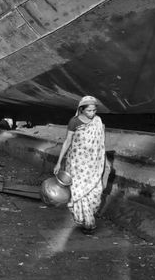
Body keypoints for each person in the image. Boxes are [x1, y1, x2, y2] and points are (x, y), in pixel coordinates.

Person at [53, 95, 110, 233]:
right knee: (79, 191)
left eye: (94, 110)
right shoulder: (74, 121)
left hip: (93, 163)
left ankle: (88, 218)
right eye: (89, 111)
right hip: (77, 163)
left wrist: (106, 160)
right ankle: (88, 223)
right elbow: (67, 141)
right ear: (81, 109)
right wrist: (59, 162)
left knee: (95, 191)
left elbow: (101, 144)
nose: (92, 113)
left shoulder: (98, 121)